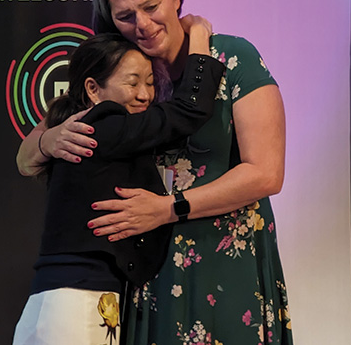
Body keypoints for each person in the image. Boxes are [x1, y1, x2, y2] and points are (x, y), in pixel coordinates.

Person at [17, 0, 292, 345]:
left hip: (224, 255)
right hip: (146, 265)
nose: (142, 25)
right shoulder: (118, 71)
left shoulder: (233, 59)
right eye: (125, 16)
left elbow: (267, 173)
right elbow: (26, 159)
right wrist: (49, 139)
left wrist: (167, 208)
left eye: (151, 6)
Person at [12, 31, 225, 344]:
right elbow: (189, 111)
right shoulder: (107, 125)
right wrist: (199, 40)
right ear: (93, 89)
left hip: (52, 301)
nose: (144, 95)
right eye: (132, 81)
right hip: (81, 302)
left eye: (151, 82)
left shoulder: (80, 128)